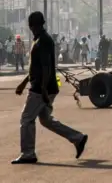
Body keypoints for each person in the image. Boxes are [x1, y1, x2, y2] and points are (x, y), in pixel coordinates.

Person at [12, 11, 88, 164]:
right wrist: (23, 82)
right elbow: (37, 67)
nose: (32, 28)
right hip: (43, 86)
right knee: (46, 120)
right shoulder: (40, 40)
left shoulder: (43, 41)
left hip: (40, 89)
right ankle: (78, 138)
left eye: (32, 26)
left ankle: (28, 153)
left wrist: (44, 90)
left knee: (26, 119)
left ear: (35, 25)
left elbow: (46, 68)